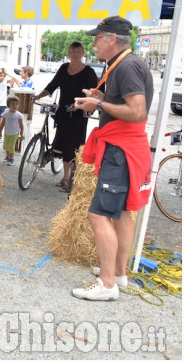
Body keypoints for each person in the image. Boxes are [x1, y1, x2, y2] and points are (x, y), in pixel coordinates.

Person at [73, 16, 153, 301]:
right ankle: (119, 273)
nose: (92, 43)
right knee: (121, 213)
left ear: (111, 39)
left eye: (97, 38)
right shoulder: (121, 64)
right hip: (126, 148)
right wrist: (100, 98)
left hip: (121, 149)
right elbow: (124, 103)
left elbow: (137, 112)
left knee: (98, 213)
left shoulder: (127, 65)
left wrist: (99, 103)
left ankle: (107, 284)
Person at [34, 42, 98, 191]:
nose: (75, 54)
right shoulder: (64, 68)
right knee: (62, 145)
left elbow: (94, 93)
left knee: (74, 146)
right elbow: (53, 85)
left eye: (78, 51)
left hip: (78, 114)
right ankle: (65, 177)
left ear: (83, 53)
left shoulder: (88, 72)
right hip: (63, 112)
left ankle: (72, 180)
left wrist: (89, 108)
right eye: (72, 51)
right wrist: (38, 96)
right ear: (68, 53)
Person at [0, 68, 20, 140]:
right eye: (0, 75)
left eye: (3, 76)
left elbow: (16, 79)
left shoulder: (5, 81)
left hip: (2, 104)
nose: (2, 77)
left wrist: (7, 73)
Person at [0, 96, 25, 166]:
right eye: (13, 104)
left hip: (14, 133)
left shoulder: (18, 115)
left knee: (11, 146)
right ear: (8, 105)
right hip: (7, 133)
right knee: (7, 146)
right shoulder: (6, 114)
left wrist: (22, 134)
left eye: (16, 104)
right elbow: (2, 124)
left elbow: (21, 125)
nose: (15, 105)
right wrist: (0, 132)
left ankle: (11, 158)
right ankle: (7, 156)